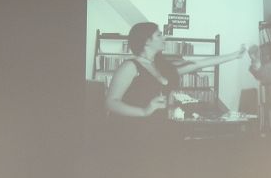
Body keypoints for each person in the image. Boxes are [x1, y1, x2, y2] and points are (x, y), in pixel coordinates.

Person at [105, 22, 246, 118]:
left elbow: (197, 64)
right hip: (131, 130)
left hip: (157, 127)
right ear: (147, 41)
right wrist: (144, 111)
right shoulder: (130, 66)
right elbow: (111, 102)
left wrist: (235, 55)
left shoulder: (163, 67)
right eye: (159, 35)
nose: (164, 37)